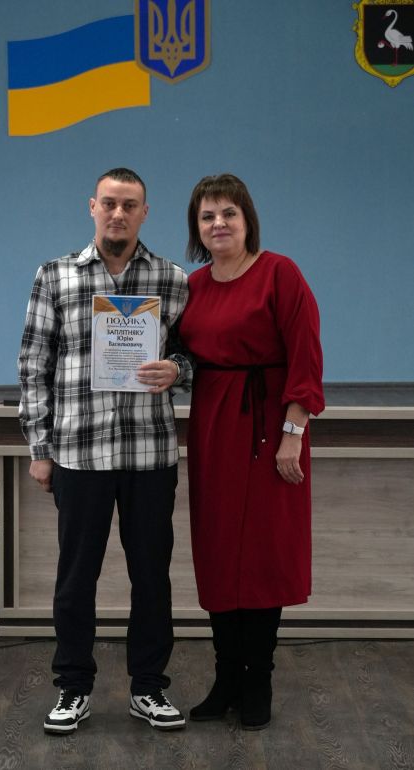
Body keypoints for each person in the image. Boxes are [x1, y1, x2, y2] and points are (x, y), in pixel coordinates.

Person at [18, 168, 191, 733]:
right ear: (92, 206)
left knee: (152, 579)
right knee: (75, 580)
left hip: (149, 455)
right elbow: (34, 365)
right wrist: (39, 447)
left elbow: (194, 358)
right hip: (79, 454)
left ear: (145, 212)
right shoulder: (55, 275)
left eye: (130, 205)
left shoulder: (172, 279)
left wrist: (178, 370)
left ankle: (148, 687)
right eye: (110, 203)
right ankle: (73, 687)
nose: (119, 213)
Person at [178, 173, 324, 730]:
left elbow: (306, 355)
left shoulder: (280, 273)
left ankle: (257, 678)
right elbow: (177, 356)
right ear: (197, 227)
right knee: (218, 549)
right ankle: (227, 679)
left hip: (269, 425)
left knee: (262, 553)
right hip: (213, 425)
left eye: (228, 214)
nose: (218, 224)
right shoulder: (193, 286)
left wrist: (294, 432)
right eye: (207, 216)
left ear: (247, 220)